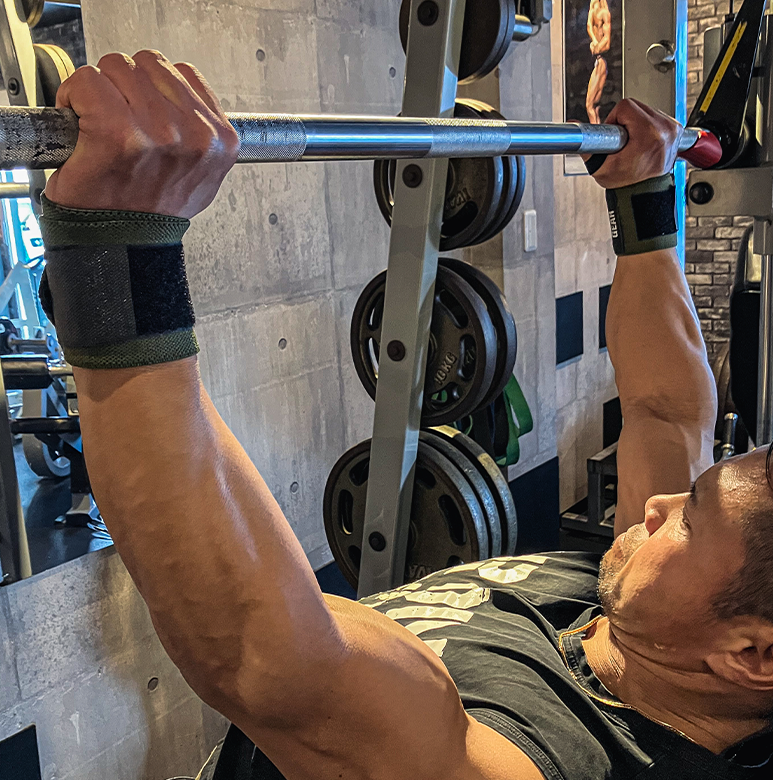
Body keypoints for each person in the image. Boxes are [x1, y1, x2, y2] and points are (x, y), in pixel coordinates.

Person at [38, 52, 773, 780]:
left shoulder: (537, 766)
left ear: (753, 656)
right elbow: (667, 410)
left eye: (688, 519)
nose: (656, 506)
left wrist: (118, 251)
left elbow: (266, 661)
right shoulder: (656, 617)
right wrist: (645, 196)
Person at [586, 0, 612, 124]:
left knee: (590, 105)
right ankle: (597, 130)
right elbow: (589, 26)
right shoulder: (593, 10)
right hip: (598, 60)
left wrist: (597, 47)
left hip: (601, 61)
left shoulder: (605, 13)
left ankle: (595, 133)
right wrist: (594, 41)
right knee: (594, 106)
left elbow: (607, 41)